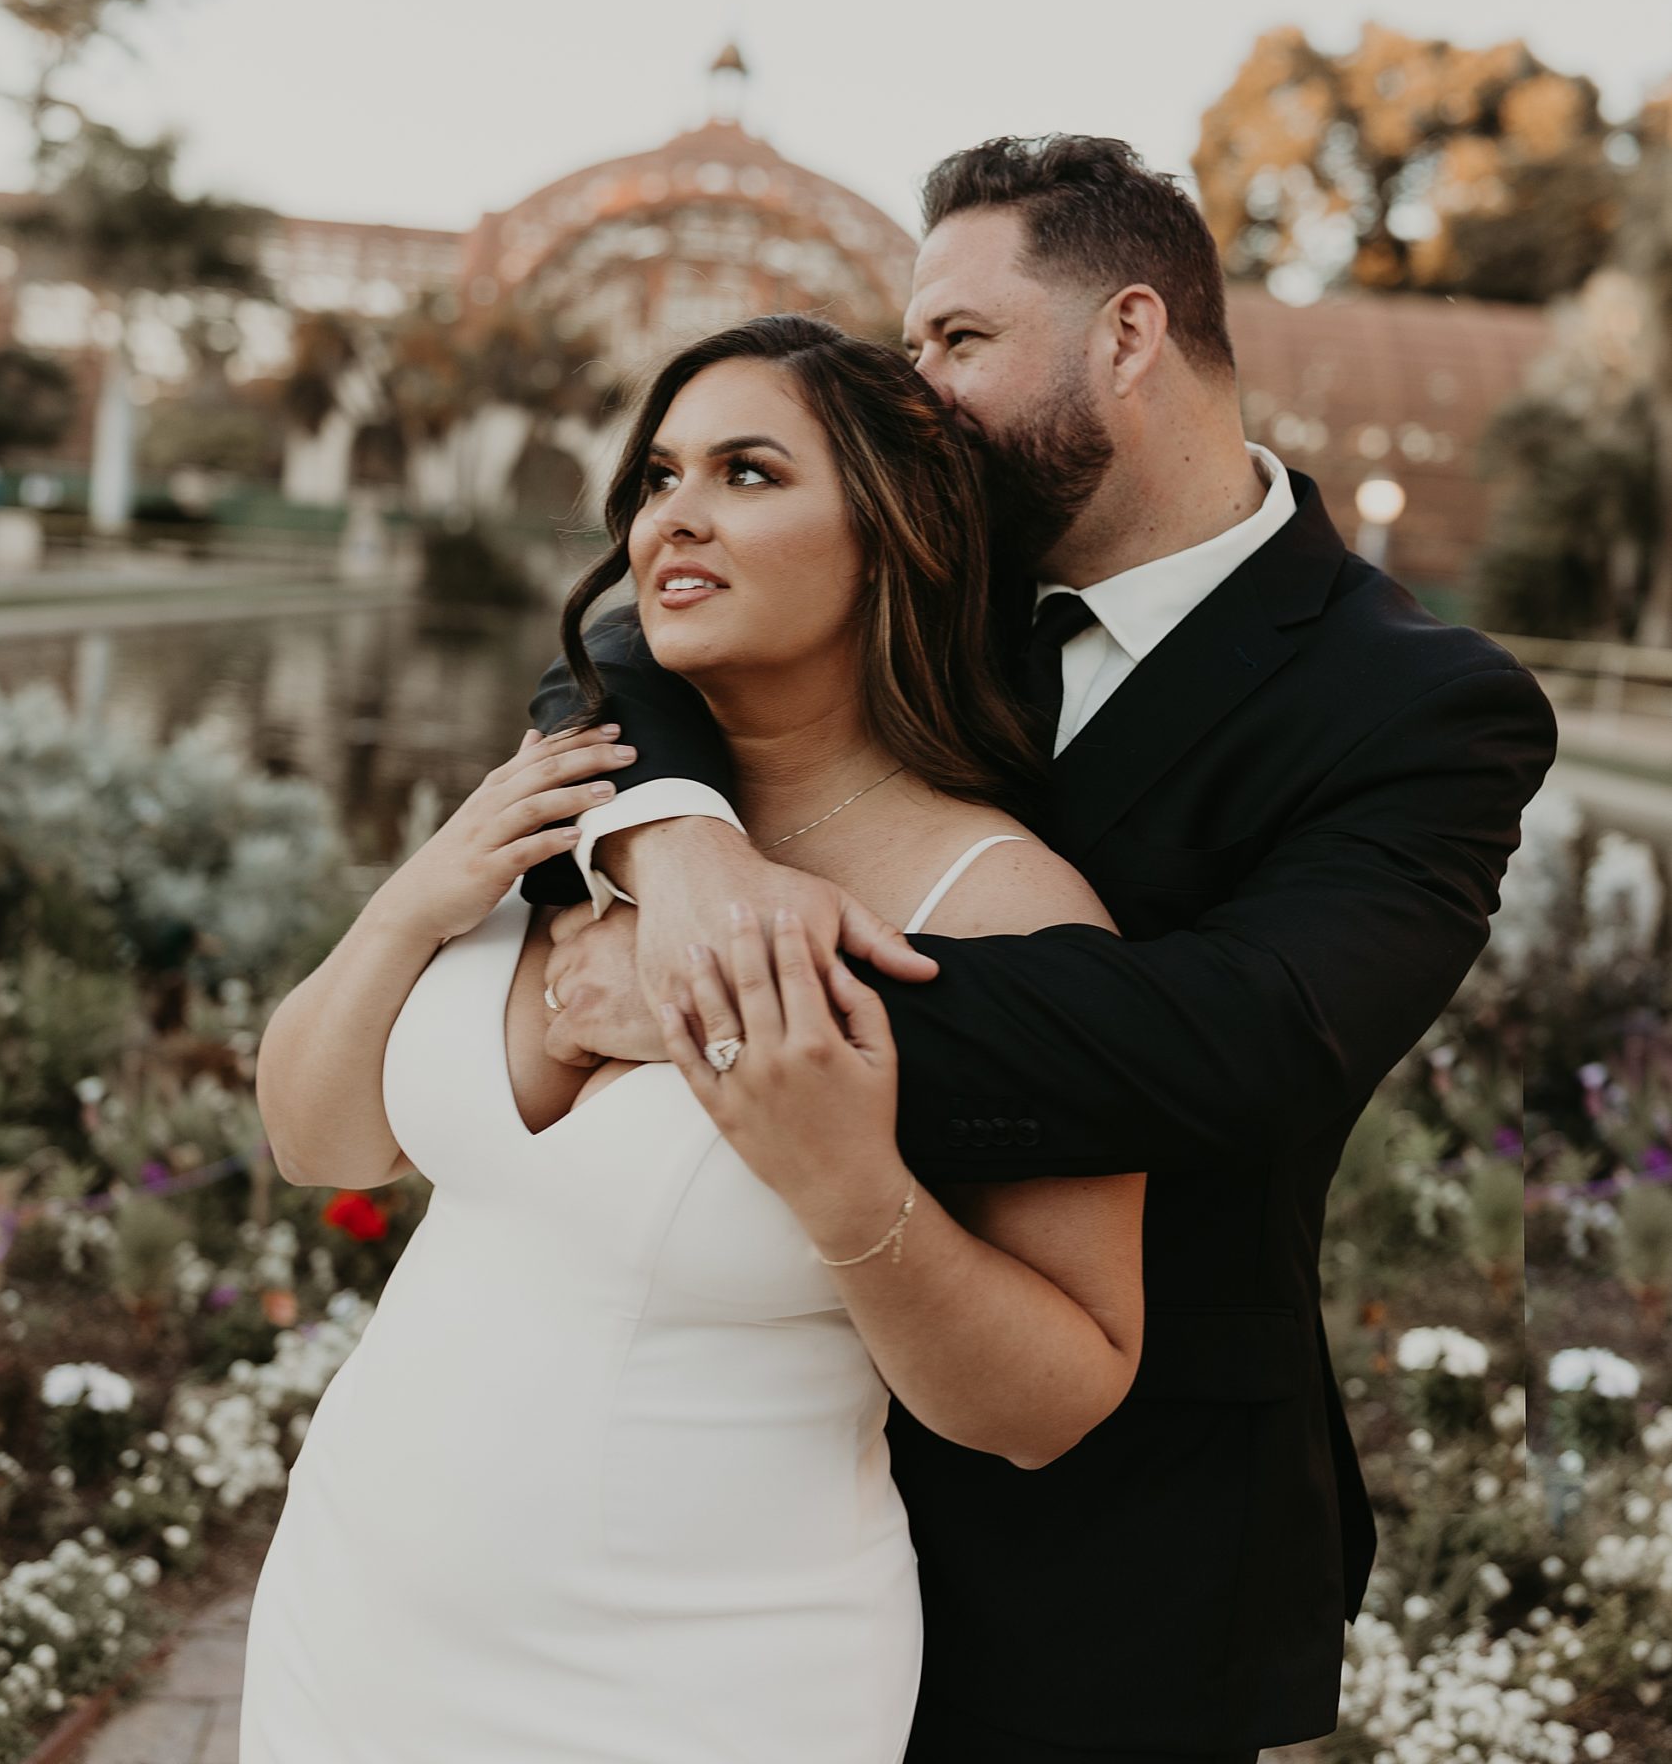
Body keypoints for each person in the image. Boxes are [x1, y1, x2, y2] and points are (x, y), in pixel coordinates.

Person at [527, 132, 1560, 1764]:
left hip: (1120, 1531)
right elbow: (627, 639)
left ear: (1129, 336)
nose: (917, 392)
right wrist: (687, 846)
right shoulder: (937, 573)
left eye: (958, 342)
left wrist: (727, 1006)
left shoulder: (1422, 704)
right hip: (767, 1488)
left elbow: (1251, 1039)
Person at [238, 314, 1145, 1764]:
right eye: (660, 475)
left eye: (748, 473)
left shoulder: (1005, 908)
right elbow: (314, 1139)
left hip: (699, 1683)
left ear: (891, 538)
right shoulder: (574, 787)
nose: (676, 516)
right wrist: (419, 897)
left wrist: (848, 1182)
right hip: (355, 1622)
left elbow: (1058, 1397)